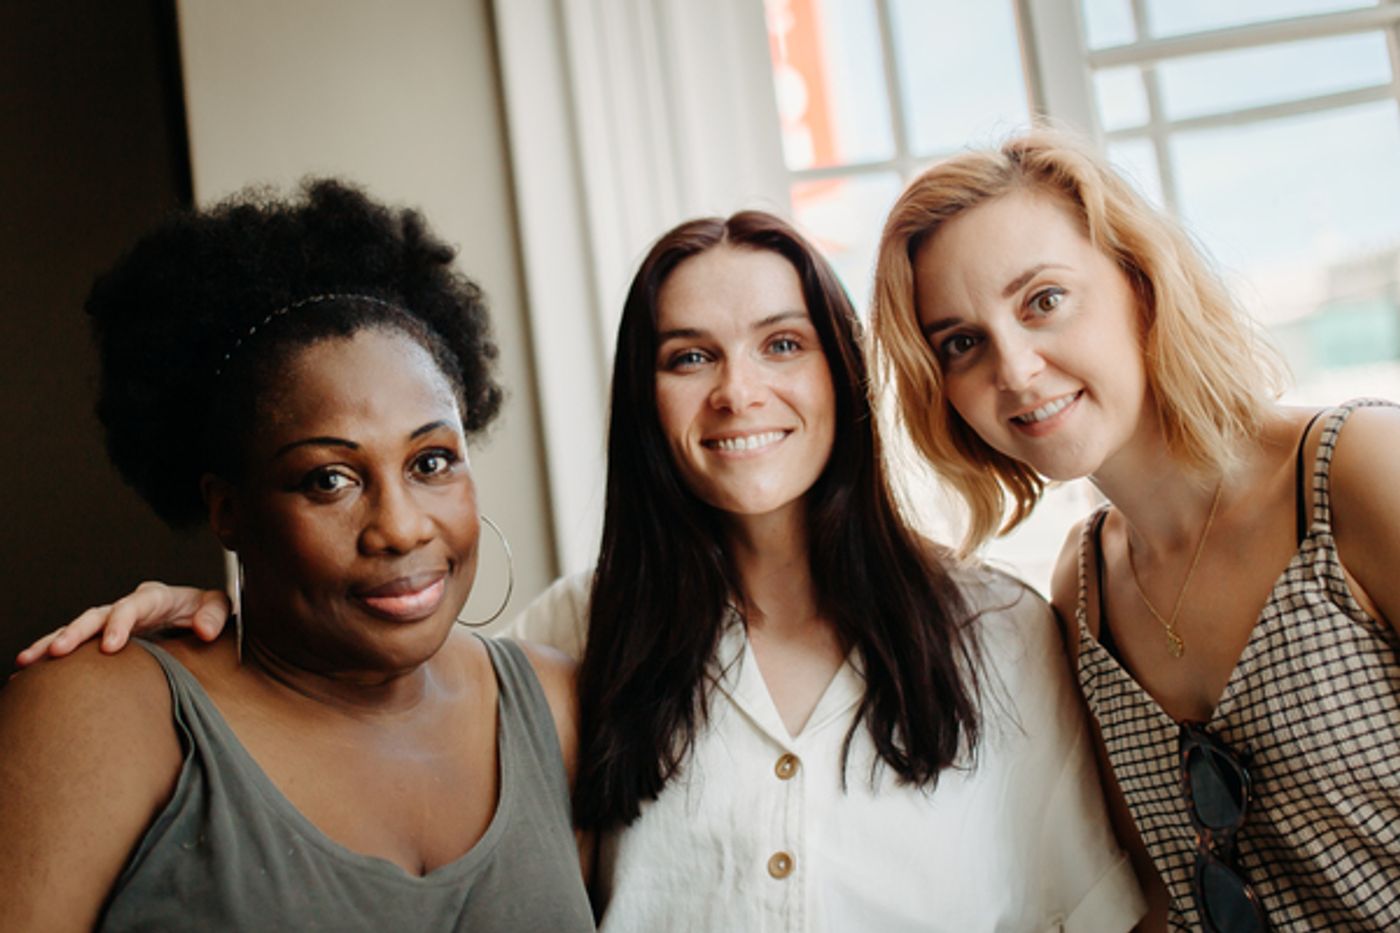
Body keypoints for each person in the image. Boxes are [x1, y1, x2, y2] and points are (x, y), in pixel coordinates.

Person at [19, 211, 1147, 931]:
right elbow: (362, 678)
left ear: (841, 375)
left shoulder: (998, 627)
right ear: (641, 401)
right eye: (686, 357)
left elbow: (1099, 913)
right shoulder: (573, 651)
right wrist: (226, 606)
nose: (737, 393)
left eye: (781, 344)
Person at [0, 180, 593, 931]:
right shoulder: (107, 712)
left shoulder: (561, 710)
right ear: (228, 509)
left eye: (432, 461)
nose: (401, 528)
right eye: (330, 479)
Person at [870, 129, 1400, 931]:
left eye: (1043, 300)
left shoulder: (1355, 472)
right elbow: (1153, 901)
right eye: (962, 342)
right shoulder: (1080, 593)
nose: (1012, 369)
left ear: (1139, 283)